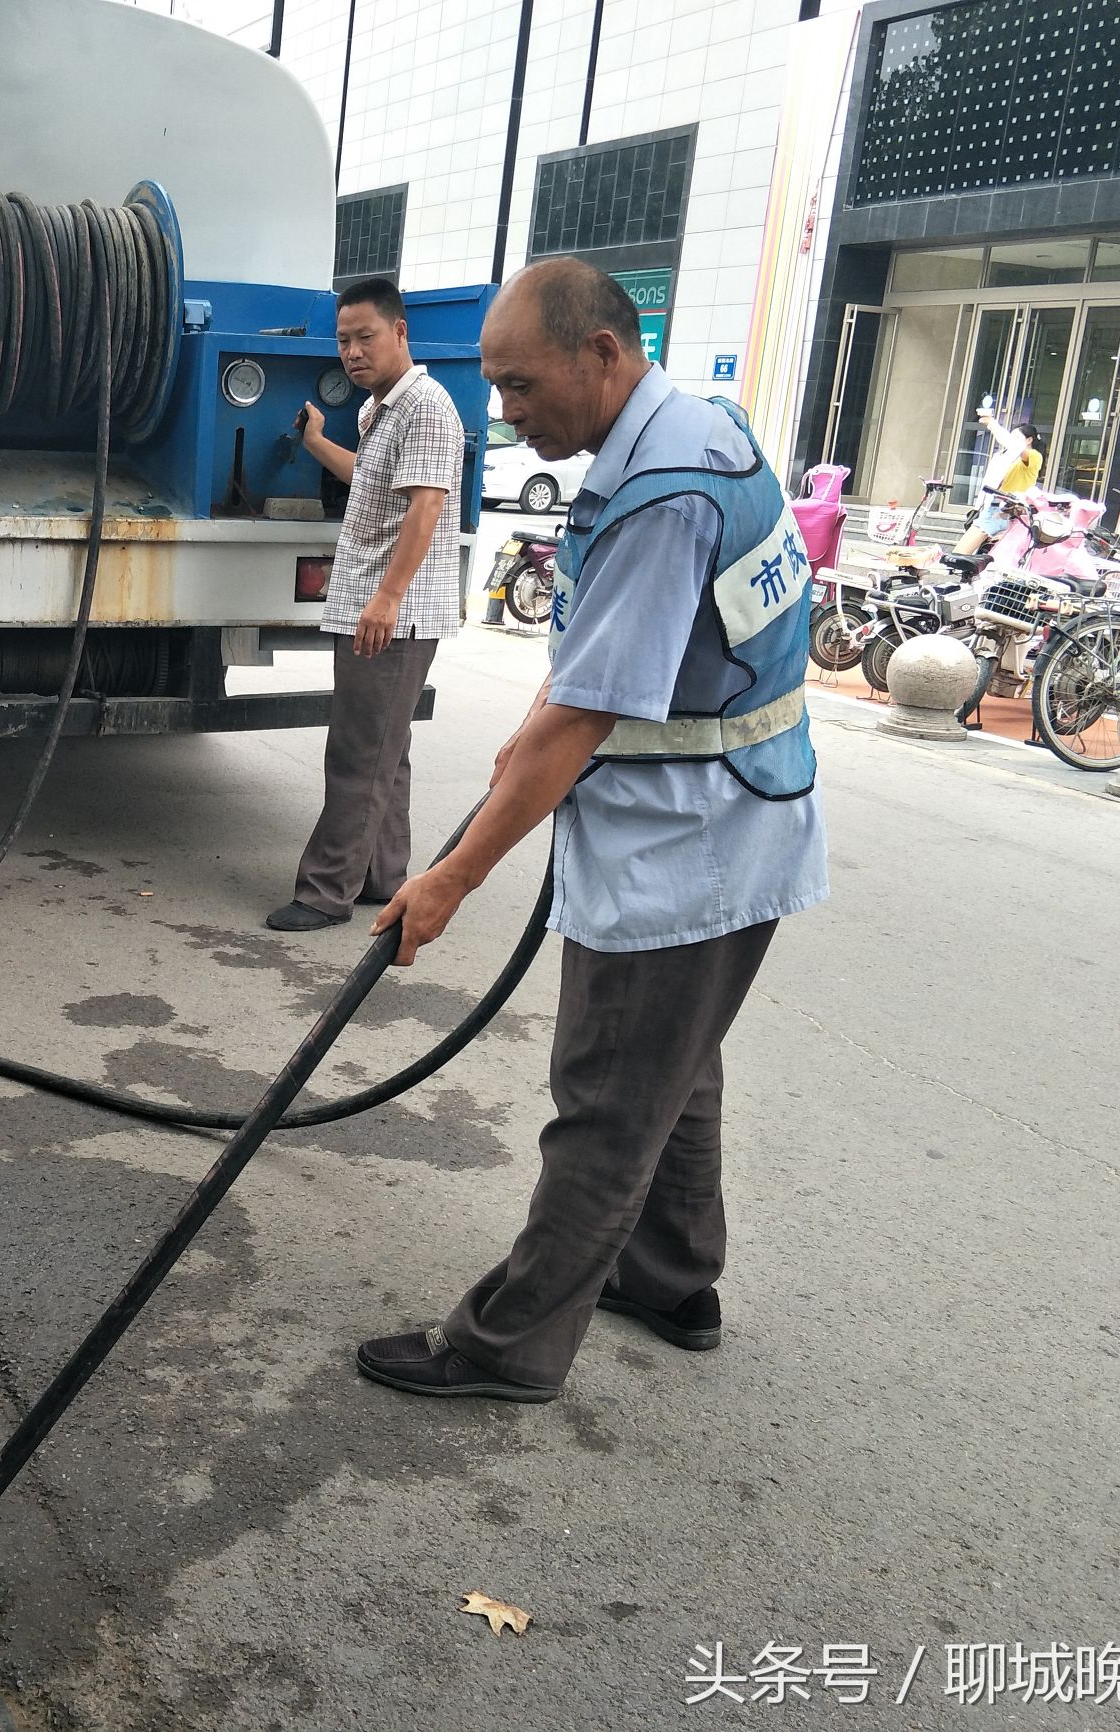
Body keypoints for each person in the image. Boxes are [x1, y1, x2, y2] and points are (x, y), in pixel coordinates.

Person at [351, 256, 829, 1403]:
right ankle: (669, 1276)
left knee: (608, 1092)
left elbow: (585, 714)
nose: (506, 417)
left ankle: (502, 1346)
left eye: (519, 387)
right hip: (742, 818)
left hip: (689, 844)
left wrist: (451, 878)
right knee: (677, 1064)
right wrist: (532, 732)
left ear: (600, 355)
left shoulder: (664, 490)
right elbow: (590, 671)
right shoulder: (697, 429)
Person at [266, 277, 466, 933]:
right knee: (387, 748)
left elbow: (426, 504)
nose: (352, 352)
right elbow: (375, 481)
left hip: (393, 615)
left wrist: (386, 597)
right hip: (377, 606)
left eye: (365, 337)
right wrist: (319, 441)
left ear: (399, 333)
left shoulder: (426, 407)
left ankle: (325, 892)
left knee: (357, 752)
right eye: (343, 340)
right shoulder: (380, 409)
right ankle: (382, 875)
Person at [952, 410, 1041, 554]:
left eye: (1016, 437)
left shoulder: (1034, 456)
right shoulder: (1004, 456)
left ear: (1029, 440)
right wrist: (978, 507)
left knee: (991, 559)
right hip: (996, 509)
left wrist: (993, 424)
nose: (1012, 440)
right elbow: (990, 482)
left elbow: (1015, 447)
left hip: (1014, 513)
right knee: (963, 554)